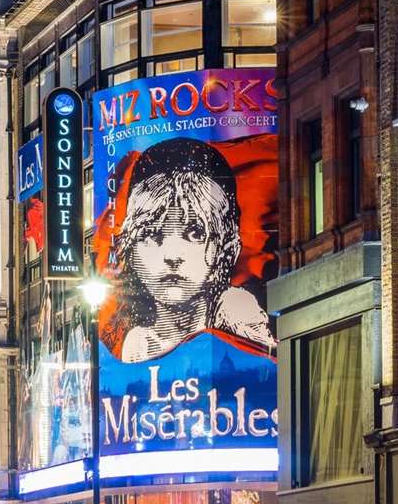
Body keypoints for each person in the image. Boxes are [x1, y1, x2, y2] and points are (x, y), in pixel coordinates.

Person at [108, 138, 275, 363]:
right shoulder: (133, 345)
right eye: (152, 234)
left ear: (228, 248)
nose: (172, 256)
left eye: (195, 233)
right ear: (130, 248)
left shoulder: (243, 323)